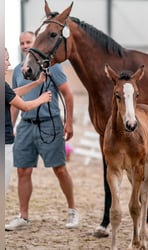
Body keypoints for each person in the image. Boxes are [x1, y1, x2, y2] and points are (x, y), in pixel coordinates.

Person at [5, 31, 79, 230]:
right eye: (22, 43)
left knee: (60, 169)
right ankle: (23, 216)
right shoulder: (19, 70)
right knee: (22, 171)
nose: (25, 45)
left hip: (50, 124)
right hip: (26, 126)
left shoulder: (53, 67)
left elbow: (68, 94)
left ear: (35, 42)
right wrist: (10, 127)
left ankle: (72, 211)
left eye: (28, 41)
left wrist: (69, 122)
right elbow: (14, 102)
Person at [5, 48, 51, 193]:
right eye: (6, 59)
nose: (9, 63)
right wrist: (41, 99)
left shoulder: (4, 87)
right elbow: (24, 106)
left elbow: (13, 93)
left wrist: (37, 83)